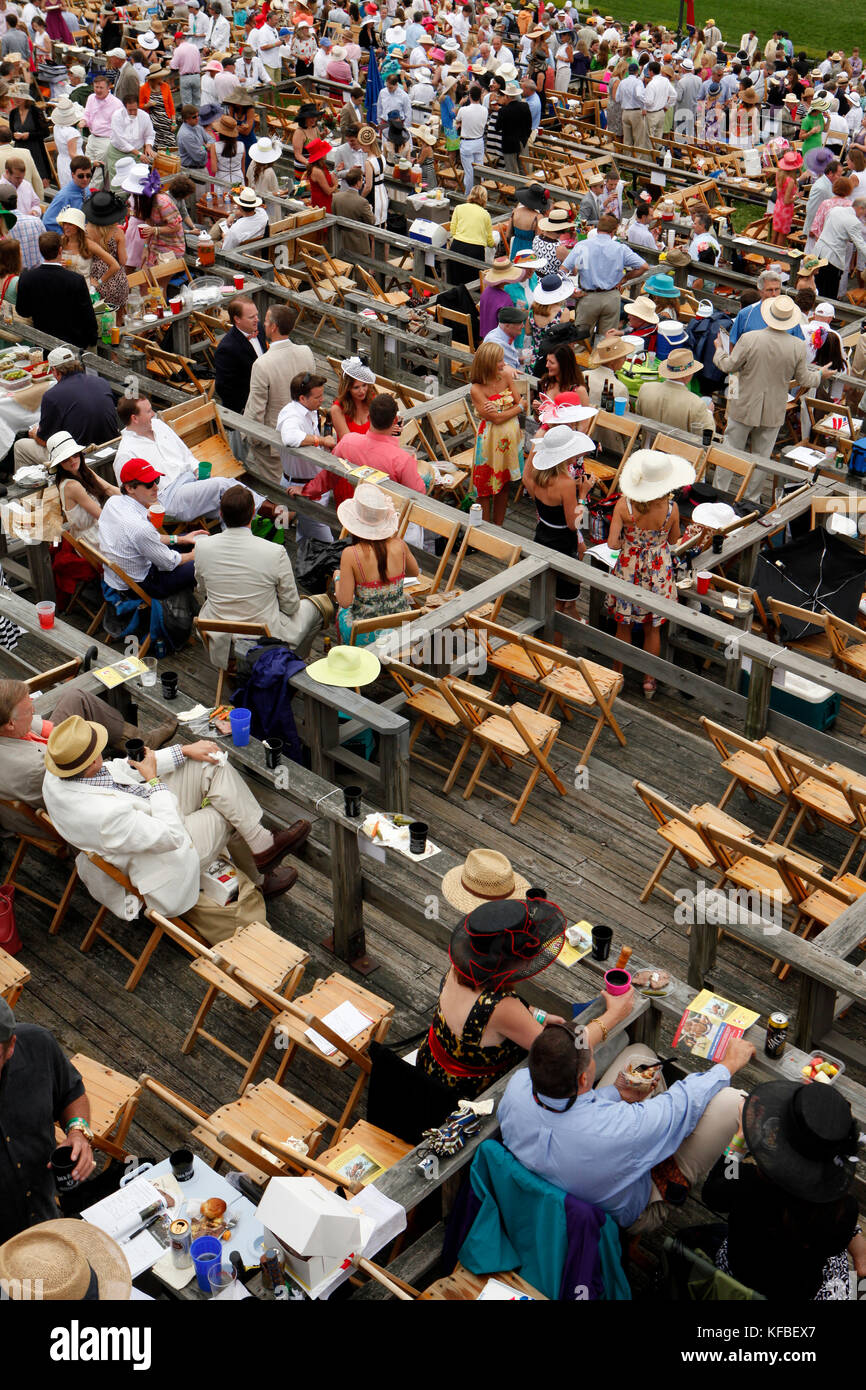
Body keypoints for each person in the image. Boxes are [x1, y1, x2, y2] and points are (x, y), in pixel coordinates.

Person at [499, 1015, 752, 1235]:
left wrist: (614, 1093)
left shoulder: (516, 1087)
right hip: (624, 1214)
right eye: (590, 1058)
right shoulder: (624, 1129)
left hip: (556, 1189)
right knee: (734, 1102)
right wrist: (727, 1065)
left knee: (640, 1055)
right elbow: (681, 1104)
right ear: (585, 1077)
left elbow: (576, 1117)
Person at [42, 714, 309, 918]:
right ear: (90, 762)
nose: (103, 749)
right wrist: (154, 781)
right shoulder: (105, 816)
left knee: (210, 761)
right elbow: (169, 836)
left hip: (151, 814)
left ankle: (262, 844)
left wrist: (182, 751)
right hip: (166, 858)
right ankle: (261, 874)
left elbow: (119, 770)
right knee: (224, 811)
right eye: (98, 747)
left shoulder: (59, 773)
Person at [417, 854, 572, 1099]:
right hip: (468, 1097)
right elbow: (557, 1056)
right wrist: (607, 1021)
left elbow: (509, 1017)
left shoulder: (458, 972)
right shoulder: (502, 1008)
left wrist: (540, 1015)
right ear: (513, 961)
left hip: (429, 1068)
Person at [703, 1079, 866, 1300]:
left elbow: (714, 1191)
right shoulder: (842, 1211)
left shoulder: (747, 1183)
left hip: (736, 1276)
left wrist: (739, 1138)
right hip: (796, 1293)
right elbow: (836, 1239)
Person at [0, 676, 176, 818]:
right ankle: (140, 752)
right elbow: (88, 780)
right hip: (66, 801)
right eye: (29, 711)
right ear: (10, 724)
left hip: (43, 749)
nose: (33, 711)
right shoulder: (34, 769)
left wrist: (53, 730)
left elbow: (34, 725)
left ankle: (144, 741)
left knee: (76, 697)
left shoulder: (9, 727)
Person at [195, 484, 332, 663]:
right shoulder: (275, 552)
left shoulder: (202, 546)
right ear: (253, 514)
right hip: (265, 638)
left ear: (220, 514)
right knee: (321, 605)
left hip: (219, 634)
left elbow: (202, 589)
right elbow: (290, 607)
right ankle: (291, 663)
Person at [0, 1001, 96, 1243]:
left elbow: (71, 1094)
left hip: (45, 1216)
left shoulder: (38, 1044)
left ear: (10, 1046)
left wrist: (77, 1132)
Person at [714, 296, 828, 498]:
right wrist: (820, 375)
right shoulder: (797, 345)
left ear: (768, 317)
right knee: (762, 457)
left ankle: (720, 492)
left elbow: (729, 366)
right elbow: (804, 379)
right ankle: (752, 499)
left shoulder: (750, 338)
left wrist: (719, 351)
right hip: (774, 407)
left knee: (730, 450)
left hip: (745, 403)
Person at [606, 449, 694, 699]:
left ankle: (617, 675)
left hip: (629, 566)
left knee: (623, 625)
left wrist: (628, 539)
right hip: (658, 570)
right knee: (651, 628)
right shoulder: (671, 508)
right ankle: (648, 681)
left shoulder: (624, 505)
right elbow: (675, 540)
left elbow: (612, 544)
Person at [333, 482, 420, 646]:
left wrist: (337, 579)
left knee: (341, 613)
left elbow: (345, 601)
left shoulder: (351, 554)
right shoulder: (399, 545)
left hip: (364, 631)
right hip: (400, 627)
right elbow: (414, 572)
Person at [523, 424, 594, 618]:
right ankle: (552, 643)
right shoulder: (566, 483)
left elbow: (525, 477)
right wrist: (582, 495)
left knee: (546, 596)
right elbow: (574, 524)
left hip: (543, 534)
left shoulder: (538, 476)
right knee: (558, 607)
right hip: (562, 544)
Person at [13, 347, 118, 472]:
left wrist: (35, 434)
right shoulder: (101, 382)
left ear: (54, 371)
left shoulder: (52, 395)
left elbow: (43, 440)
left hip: (79, 456)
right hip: (110, 445)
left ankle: (28, 485)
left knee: (20, 447)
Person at [243, 304, 314, 485]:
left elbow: (256, 409)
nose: (263, 324)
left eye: (266, 321)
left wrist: (254, 439)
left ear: (273, 327)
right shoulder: (306, 352)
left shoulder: (262, 364)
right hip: (304, 431)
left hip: (274, 440)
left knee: (279, 492)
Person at [562, 213, 647, 342]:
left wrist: (570, 292)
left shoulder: (582, 245)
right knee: (606, 342)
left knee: (580, 342)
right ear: (613, 231)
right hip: (611, 297)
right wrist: (625, 278)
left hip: (588, 297)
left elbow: (563, 270)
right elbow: (644, 266)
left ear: (597, 229)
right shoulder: (621, 248)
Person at [277, 371, 338, 540]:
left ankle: (299, 556)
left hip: (310, 485)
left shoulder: (308, 409)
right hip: (301, 488)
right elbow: (290, 438)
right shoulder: (291, 416)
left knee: (301, 533)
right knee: (327, 542)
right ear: (302, 398)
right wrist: (321, 441)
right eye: (317, 397)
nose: (322, 400)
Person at [470, 339, 523, 527]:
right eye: (499, 361)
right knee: (485, 485)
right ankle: (484, 529)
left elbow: (519, 402)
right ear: (488, 364)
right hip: (490, 441)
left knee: (504, 482)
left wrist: (501, 409)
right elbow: (497, 419)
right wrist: (513, 410)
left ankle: (498, 525)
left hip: (510, 440)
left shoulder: (506, 376)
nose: (504, 364)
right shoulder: (476, 389)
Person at [14, 230, 97, 349]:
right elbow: (87, 313)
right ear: (60, 250)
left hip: (43, 339)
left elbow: (23, 311)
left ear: (41, 251)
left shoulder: (27, 277)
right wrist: (92, 338)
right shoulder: (76, 279)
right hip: (73, 342)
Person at [332, 391, 426, 493]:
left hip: (348, 502)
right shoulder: (403, 460)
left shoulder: (347, 441)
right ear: (395, 420)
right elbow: (419, 492)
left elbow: (327, 477)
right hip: (384, 506)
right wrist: (413, 466)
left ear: (368, 417)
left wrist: (311, 494)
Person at [636, 349, 715, 434]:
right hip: (677, 447)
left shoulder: (645, 389)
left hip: (646, 446)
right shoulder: (696, 404)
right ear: (687, 375)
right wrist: (709, 413)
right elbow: (707, 436)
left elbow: (638, 419)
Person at [213, 295, 267, 416]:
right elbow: (223, 388)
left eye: (256, 315)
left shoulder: (258, 329)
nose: (257, 319)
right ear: (237, 319)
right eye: (251, 317)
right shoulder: (226, 349)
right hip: (244, 407)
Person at [814, 196, 866, 299]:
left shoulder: (835, 210)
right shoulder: (854, 222)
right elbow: (861, 245)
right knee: (829, 294)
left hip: (818, 252)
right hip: (832, 258)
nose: (863, 215)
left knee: (817, 288)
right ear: (861, 208)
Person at [447, 182, 494, 285]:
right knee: (472, 283)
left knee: (455, 282)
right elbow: (490, 240)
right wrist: (493, 244)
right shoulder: (485, 214)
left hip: (457, 246)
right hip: (475, 250)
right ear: (484, 198)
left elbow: (453, 231)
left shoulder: (459, 208)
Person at [82, 74, 122, 180]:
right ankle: (85, 193)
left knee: (99, 173)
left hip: (106, 140)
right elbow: (87, 114)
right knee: (86, 167)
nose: (98, 90)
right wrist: (83, 121)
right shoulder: (91, 98)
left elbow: (119, 126)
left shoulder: (116, 104)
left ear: (108, 88)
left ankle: (93, 195)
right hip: (92, 137)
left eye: (101, 88)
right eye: (96, 87)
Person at [332, 164, 375, 258]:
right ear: (358, 183)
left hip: (340, 242)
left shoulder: (336, 197)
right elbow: (371, 221)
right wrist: (370, 210)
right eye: (362, 179)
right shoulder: (362, 202)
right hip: (358, 245)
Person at [42, 155, 92, 234]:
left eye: (88, 175)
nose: (85, 179)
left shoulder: (85, 189)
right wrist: (65, 238)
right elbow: (48, 221)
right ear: (73, 175)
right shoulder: (64, 196)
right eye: (81, 176)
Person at [330, 355, 376, 439]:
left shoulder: (372, 399)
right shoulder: (337, 409)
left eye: (364, 385)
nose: (362, 391)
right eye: (356, 387)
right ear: (347, 388)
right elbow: (348, 442)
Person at [455, 82, 488, 193]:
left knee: (469, 172)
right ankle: (480, 193)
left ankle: (468, 195)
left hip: (467, 142)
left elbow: (458, 120)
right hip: (478, 141)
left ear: (469, 96)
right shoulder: (485, 110)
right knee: (480, 169)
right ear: (480, 97)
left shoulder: (463, 110)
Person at [49, 96, 84, 190]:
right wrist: (87, 163)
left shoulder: (56, 127)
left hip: (62, 161)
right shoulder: (71, 132)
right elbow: (72, 153)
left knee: (66, 188)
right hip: (73, 164)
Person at [169, 33, 202, 108]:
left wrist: (170, 62)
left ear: (177, 40)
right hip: (196, 76)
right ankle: (198, 118)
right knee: (197, 102)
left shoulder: (178, 50)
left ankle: (189, 119)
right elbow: (199, 62)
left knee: (187, 104)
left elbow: (173, 66)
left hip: (185, 77)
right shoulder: (194, 47)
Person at [177, 104, 211, 170]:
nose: (197, 118)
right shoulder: (185, 135)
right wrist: (205, 147)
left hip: (200, 168)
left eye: (198, 115)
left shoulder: (197, 126)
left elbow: (210, 139)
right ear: (186, 119)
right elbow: (199, 156)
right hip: (191, 170)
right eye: (194, 117)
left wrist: (205, 146)